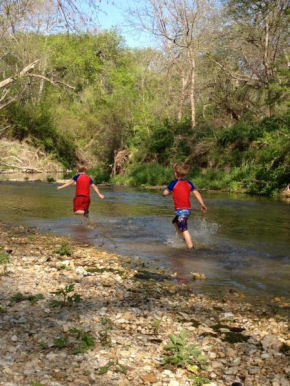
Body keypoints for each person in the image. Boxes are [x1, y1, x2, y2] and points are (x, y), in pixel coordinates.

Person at [162, 162, 207, 249]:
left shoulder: (173, 183)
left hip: (181, 211)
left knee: (184, 229)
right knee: (175, 222)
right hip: (187, 210)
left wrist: (163, 193)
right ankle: (183, 238)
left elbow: (165, 193)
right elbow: (196, 193)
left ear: (175, 173)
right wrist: (202, 204)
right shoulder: (189, 183)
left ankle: (191, 248)